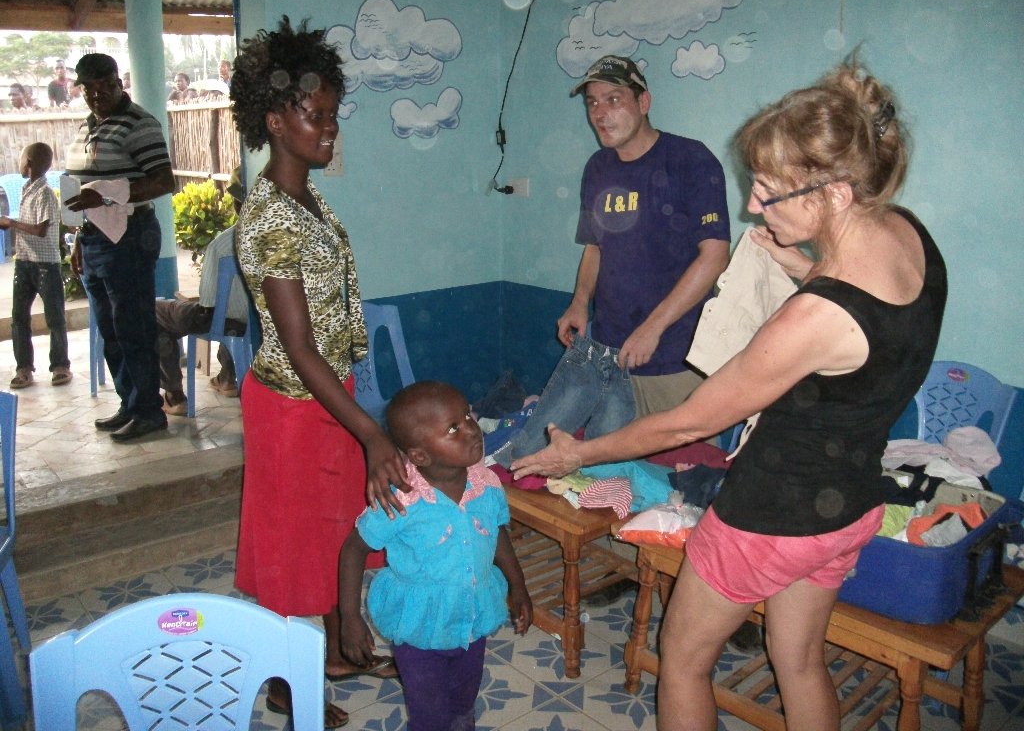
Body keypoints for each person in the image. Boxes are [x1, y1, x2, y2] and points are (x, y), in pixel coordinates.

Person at [512, 59, 947, 731]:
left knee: (682, 659)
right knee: (799, 659)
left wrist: (580, 455)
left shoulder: (816, 318)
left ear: (831, 194)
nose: (753, 205)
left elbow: (688, 421)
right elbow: (867, 316)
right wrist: (799, 262)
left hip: (771, 513)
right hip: (848, 502)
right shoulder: (909, 237)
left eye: (769, 191)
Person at [230, 15, 410, 729]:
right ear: (276, 119)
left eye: (334, 117)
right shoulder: (269, 212)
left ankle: (338, 648)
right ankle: (281, 681)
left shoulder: (309, 199)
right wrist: (373, 432)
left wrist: (359, 418)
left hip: (331, 394)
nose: (330, 130)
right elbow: (299, 346)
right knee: (287, 537)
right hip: (291, 401)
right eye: (316, 116)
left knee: (338, 522)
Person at [492, 56, 731, 467]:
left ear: (644, 101)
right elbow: (595, 248)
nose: (600, 113)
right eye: (592, 102)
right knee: (573, 465)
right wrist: (579, 303)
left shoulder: (690, 160)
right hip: (606, 348)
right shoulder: (598, 168)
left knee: (668, 475)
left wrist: (653, 328)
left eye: (614, 98)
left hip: (674, 351)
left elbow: (715, 257)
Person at [339, 381, 532, 731]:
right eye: (453, 429)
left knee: (464, 697)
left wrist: (518, 586)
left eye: (468, 417)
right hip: (420, 624)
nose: (472, 429)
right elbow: (353, 549)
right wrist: (349, 617)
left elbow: (497, 534)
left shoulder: (485, 483)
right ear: (420, 456)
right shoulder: (400, 500)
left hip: (472, 615)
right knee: (429, 712)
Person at [64, 53, 175, 443]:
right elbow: (82, 193)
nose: (97, 94)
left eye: (105, 85)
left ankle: (149, 412)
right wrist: (78, 239)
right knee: (110, 330)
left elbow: (164, 181)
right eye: (89, 88)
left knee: (134, 328)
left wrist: (108, 197)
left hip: (129, 236)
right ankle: (131, 403)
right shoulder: (87, 127)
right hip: (94, 239)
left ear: (118, 82)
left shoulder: (140, 124)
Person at [0, 143, 72, 389]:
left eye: (21, 159)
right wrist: (11, 223)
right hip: (24, 262)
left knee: (55, 317)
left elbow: (41, 230)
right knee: (19, 318)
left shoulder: (45, 194)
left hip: (45, 265)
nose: (19, 163)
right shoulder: (26, 189)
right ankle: (24, 369)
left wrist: (11, 223)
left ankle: (60, 366)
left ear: (28, 163)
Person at [156, 224, 246, 415]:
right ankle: (227, 377)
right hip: (259, 321)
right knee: (235, 323)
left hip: (223, 321)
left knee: (156, 312)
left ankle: (174, 395)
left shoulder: (222, 243)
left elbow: (207, 300)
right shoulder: (285, 232)